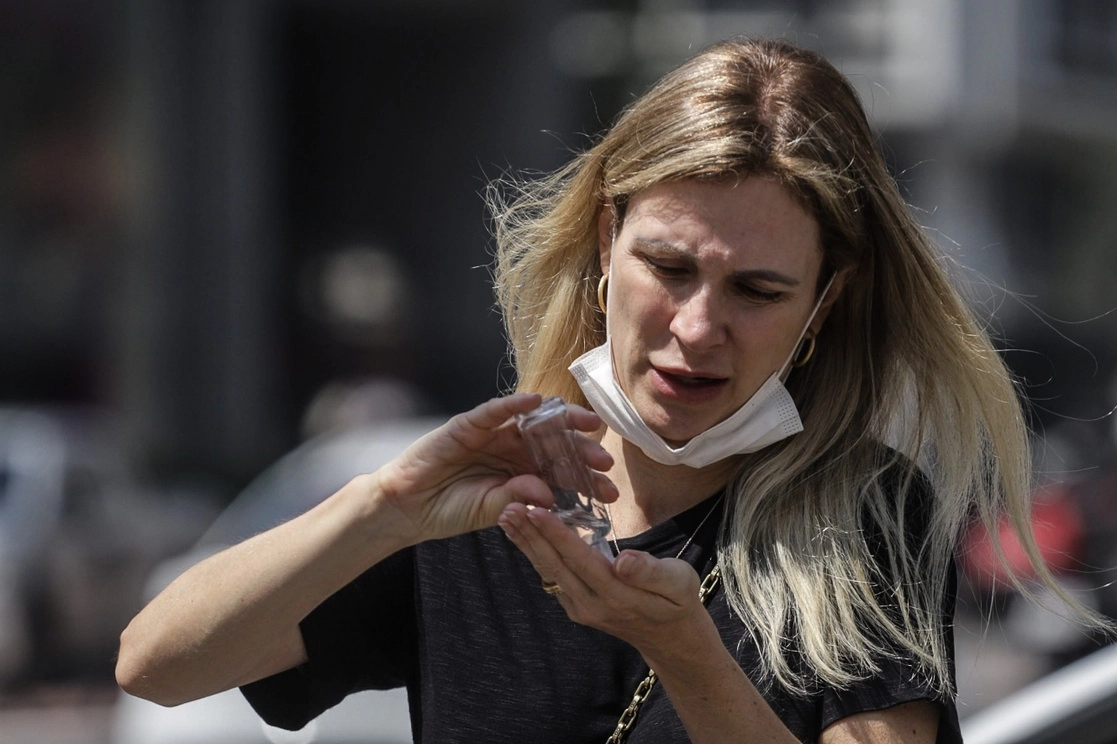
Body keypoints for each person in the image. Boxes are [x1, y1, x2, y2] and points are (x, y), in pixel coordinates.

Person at [116, 37, 1104, 743]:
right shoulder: (482, 505)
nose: (696, 328)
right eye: (668, 268)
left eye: (757, 291)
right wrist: (382, 504)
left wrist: (685, 651)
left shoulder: (865, 510)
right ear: (604, 245)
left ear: (826, 300)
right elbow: (156, 666)